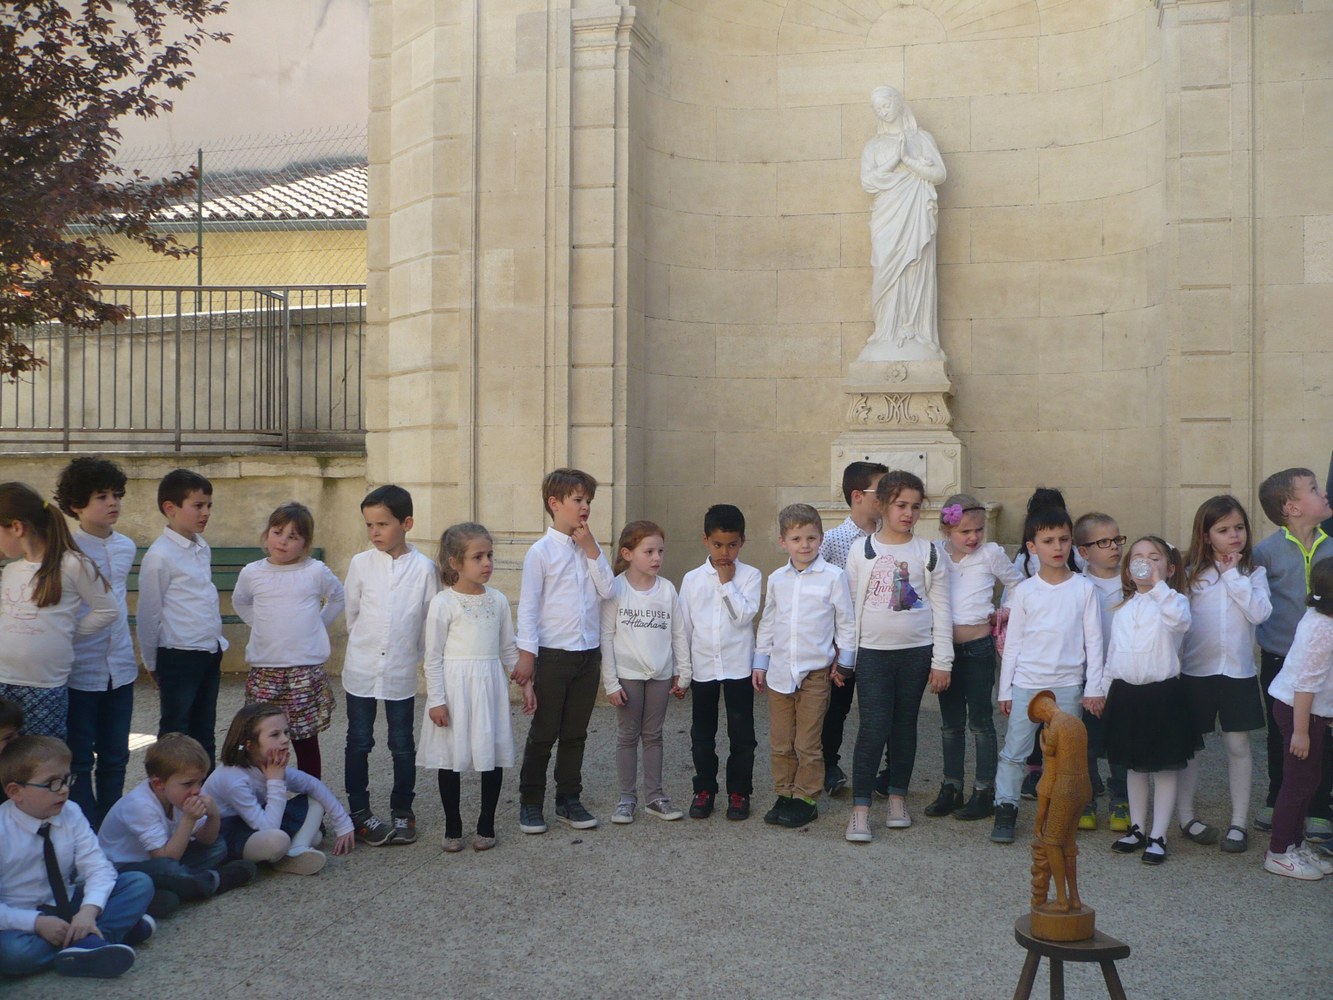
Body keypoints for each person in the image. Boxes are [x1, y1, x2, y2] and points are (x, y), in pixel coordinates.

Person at [843, 472, 952, 842]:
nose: (908, 513)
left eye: (915, 507)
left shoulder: (929, 552)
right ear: (882, 505)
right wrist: (847, 656)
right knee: (874, 726)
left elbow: (942, 609)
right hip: (873, 654)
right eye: (901, 505)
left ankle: (897, 799)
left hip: (916, 654)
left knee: (905, 726)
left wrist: (942, 662)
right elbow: (849, 607)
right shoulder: (861, 551)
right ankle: (860, 810)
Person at [417, 523, 534, 852]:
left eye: (490, 555)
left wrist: (525, 684)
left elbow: (508, 649)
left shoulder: (498, 601)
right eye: (478, 557)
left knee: (490, 752)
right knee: (450, 757)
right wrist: (436, 700)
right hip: (454, 689)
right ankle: (453, 826)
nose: (487, 563)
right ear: (455, 562)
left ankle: (486, 823)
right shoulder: (443, 603)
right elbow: (433, 657)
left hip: (488, 689)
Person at [991, 508, 1104, 845]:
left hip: (1068, 684)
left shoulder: (1084, 589)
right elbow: (1014, 643)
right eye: (1048, 540)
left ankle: (1061, 811)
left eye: (1063, 540)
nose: (1057, 547)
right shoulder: (1025, 591)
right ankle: (1006, 806)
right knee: (1015, 750)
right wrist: (1005, 690)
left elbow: (1094, 641)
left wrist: (1094, 687)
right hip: (1027, 683)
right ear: (1032, 547)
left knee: (1067, 754)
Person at [512, 469, 615, 835]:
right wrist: (527, 655)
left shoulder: (591, 549)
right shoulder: (540, 553)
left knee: (575, 733)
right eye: (578, 500)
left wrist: (592, 550)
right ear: (555, 504)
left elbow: (609, 591)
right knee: (544, 732)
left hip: (587, 655)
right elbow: (529, 607)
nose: (585, 507)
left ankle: (568, 799)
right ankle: (530, 801)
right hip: (553, 655)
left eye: (589, 501)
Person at [0, 735, 153, 979]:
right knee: (12, 953)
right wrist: (36, 923)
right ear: (15, 791)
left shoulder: (70, 812)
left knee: (138, 883)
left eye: (66, 779)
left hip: (69, 903)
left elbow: (98, 867)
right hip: (23, 918)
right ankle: (99, 938)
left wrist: (88, 911)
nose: (63, 789)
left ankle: (87, 943)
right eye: (52, 783)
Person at [342, 485, 438, 847]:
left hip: (399, 670)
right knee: (358, 741)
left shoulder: (425, 569)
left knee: (401, 743)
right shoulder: (360, 564)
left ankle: (402, 809)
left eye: (382, 524)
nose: (374, 532)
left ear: (406, 524)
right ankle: (359, 811)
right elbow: (352, 613)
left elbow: (428, 621)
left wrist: (413, 657)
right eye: (369, 525)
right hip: (361, 669)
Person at [1177, 496, 1271, 854]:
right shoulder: (1189, 574)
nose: (1234, 535)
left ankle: (1238, 822)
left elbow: (1259, 613)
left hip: (1237, 673)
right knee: (1191, 746)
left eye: (1239, 527)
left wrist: (1233, 575)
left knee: (1238, 745)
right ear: (1205, 536)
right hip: (1196, 672)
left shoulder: (1253, 574)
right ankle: (1186, 816)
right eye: (1223, 530)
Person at [753, 503, 854, 830]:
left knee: (807, 742)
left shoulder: (833, 577)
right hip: (780, 672)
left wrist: (846, 662)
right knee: (781, 741)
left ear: (821, 539)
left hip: (815, 674)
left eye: (811, 538)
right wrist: (760, 662)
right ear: (783, 542)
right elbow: (768, 621)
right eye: (796, 539)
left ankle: (806, 798)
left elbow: (846, 622)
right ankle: (784, 792)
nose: (805, 545)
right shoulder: (777, 579)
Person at [232, 502, 345, 782]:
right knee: (262, 739)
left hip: (304, 672)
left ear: (305, 544)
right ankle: (265, 797)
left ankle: (310, 799)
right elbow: (241, 602)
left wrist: (316, 624)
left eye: (292, 536)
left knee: (305, 741)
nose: (282, 541)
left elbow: (338, 596)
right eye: (277, 532)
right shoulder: (252, 573)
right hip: (266, 671)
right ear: (267, 534)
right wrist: (261, 624)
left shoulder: (314, 571)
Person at [924, 493, 1020, 822]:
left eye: (978, 530)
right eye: (964, 531)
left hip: (978, 647)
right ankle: (951, 786)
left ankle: (984, 791)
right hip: (946, 651)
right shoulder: (935, 554)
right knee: (951, 724)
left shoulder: (990, 554)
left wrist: (1004, 612)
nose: (973, 537)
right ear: (947, 529)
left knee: (980, 722)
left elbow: (1018, 585)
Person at [54, 458, 138, 829]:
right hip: (79, 671)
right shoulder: (65, 550)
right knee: (78, 759)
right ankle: (85, 830)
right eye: (101, 496)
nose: (113, 502)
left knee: (116, 756)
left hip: (120, 669)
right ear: (76, 505)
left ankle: (111, 826)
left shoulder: (126, 547)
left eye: (116, 494)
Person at [1101, 537, 1196, 866]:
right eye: (1139, 558)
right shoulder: (1124, 607)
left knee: (1164, 768)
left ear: (1169, 569)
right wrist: (1104, 688)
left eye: (1154, 558)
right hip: (1127, 694)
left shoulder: (1174, 602)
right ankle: (1137, 828)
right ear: (1128, 570)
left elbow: (1180, 621)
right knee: (1134, 766)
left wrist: (1158, 587)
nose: (1146, 563)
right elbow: (1114, 653)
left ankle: (1159, 835)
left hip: (1162, 696)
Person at [0, 482, 117, 741]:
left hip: (45, 685)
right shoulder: (10, 570)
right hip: (4, 679)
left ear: (16, 527)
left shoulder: (73, 564)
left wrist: (67, 633)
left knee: (41, 753)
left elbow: (107, 610)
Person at [1252, 468, 1333, 841]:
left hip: (1326, 663)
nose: (1324, 493)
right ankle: (1277, 796)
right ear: (1291, 507)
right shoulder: (1265, 552)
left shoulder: (1331, 546)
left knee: (1323, 732)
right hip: (1280, 659)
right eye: (1314, 489)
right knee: (1282, 733)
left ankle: (1319, 807)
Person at [97, 733, 256, 917]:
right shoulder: (139, 805)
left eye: (200, 782)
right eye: (188, 784)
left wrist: (213, 816)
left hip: (160, 862)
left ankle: (169, 890)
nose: (196, 790)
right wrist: (188, 819)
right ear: (159, 784)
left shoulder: (177, 796)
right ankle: (215, 881)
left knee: (218, 847)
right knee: (168, 871)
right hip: (123, 873)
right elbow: (166, 859)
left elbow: (207, 840)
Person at [602, 521, 692, 825]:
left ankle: (655, 796)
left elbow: (678, 633)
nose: (656, 558)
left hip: (660, 675)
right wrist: (611, 683)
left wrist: (683, 672)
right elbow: (606, 637)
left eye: (660, 551)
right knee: (628, 736)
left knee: (654, 735)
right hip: (627, 676)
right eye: (649, 551)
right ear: (628, 554)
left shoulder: (667, 589)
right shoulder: (616, 588)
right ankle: (626, 799)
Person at [135, 469, 226, 764]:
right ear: (170, 508)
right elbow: (148, 613)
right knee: (175, 731)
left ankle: (204, 790)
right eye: (198, 505)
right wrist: (151, 662)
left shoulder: (201, 546)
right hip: (178, 655)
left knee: (205, 731)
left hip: (208, 650)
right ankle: (167, 789)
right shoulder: (159, 556)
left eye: (209, 505)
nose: (206, 512)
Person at [203, 703, 355, 876]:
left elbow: (313, 785)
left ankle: (296, 849)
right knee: (279, 840)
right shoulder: (233, 779)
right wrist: (275, 781)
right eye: (275, 734)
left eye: (286, 732)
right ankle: (289, 848)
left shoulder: (270, 765)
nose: (285, 739)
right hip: (228, 833)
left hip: (259, 821)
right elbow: (269, 829)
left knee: (316, 804)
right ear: (250, 745)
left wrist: (343, 824)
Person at [680, 504, 761, 821]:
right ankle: (704, 789)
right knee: (702, 734)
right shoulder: (692, 579)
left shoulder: (750, 576)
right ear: (705, 540)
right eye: (718, 544)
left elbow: (743, 617)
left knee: (742, 735)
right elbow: (684, 628)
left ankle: (739, 792)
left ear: (743, 541)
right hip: (703, 667)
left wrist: (728, 584)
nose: (725, 552)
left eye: (732, 545)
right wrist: (683, 672)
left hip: (738, 666)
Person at [860, 85, 947, 359]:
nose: (883, 111)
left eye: (886, 105)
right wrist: (894, 160)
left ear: (898, 103)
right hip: (886, 216)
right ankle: (885, 331)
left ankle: (915, 330)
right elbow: (867, 182)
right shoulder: (873, 146)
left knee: (914, 264)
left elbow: (939, 174)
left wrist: (908, 160)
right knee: (884, 265)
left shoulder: (921, 138)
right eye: (878, 109)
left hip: (915, 214)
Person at [819, 461, 887, 796]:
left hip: (881, 640)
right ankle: (828, 765)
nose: (889, 497)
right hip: (843, 643)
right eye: (882, 491)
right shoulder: (832, 541)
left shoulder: (891, 538)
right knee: (836, 707)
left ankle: (887, 770)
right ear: (858, 495)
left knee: (882, 709)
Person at [1262, 559, 1333, 880]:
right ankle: (1278, 852)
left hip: (1309, 713)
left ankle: (1295, 843)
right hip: (1299, 713)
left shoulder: (1320, 617)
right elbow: (1306, 684)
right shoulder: (1324, 629)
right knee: (1297, 784)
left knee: (1309, 781)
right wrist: (1301, 732)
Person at [1073, 512, 1129, 832]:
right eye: (1104, 542)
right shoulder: (1077, 586)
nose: (1115, 547)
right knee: (1087, 742)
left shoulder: (1132, 583)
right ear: (1084, 552)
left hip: (1123, 675)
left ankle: (1121, 797)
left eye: (1117, 539)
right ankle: (1088, 795)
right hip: (1087, 676)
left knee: (1121, 740)